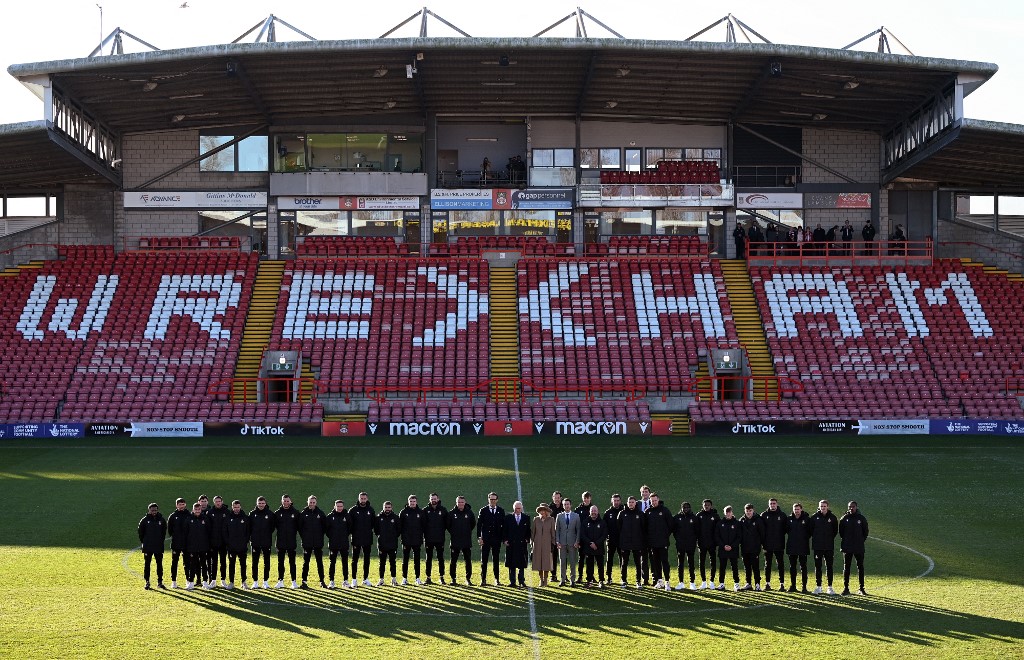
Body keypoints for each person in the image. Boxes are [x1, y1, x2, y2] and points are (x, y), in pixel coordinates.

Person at [839, 501, 870, 596]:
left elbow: (865, 532)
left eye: (853, 507)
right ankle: (846, 588)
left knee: (860, 567)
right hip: (847, 547)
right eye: (849, 507)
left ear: (856, 507)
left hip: (858, 547)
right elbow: (841, 532)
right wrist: (847, 541)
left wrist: (860, 541)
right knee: (846, 567)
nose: (851, 508)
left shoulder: (861, 518)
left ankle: (861, 588)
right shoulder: (844, 518)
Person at [810, 499, 839, 595]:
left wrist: (828, 539)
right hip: (818, 547)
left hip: (829, 546)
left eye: (824, 506)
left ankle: (830, 587)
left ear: (828, 507)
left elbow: (835, 531)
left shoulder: (833, 518)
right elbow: (810, 531)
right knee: (818, 567)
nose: (823, 508)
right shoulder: (814, 517)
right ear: (819, 507)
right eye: (821, 506)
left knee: (829, 567)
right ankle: (819, 587)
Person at [644, 493, 673, 591]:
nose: (654, 502)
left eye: (655, 500)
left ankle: (667, 582)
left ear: (658, 500)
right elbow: (645, 527)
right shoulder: (648, 512)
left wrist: (665, 535)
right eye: (652, 501)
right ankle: (660, 581)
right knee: (656, 562)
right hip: (652, 543)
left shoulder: (665, 510)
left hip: (663, 542)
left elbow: (671, 525)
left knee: (664, 561)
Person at [299, 495, 327, 589]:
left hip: (318, 543)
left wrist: (319, 536)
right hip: (307, 543)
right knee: (306, 562)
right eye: (310, 502)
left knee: (319, 562)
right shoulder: (303, 513)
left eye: (313, 502)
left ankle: (322, 581)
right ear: (307, 502)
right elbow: (300, 528)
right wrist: (305, 537)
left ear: (316, 503)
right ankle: (304, 582)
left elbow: (324, 527)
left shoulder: (320, 513)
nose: (312, 504)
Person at [477, 492, 506, 586]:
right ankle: (483, 579)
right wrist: (479, 537)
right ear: (488, 500)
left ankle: (497, 579)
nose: (492, 501)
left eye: (494, 499)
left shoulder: (501, 510)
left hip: (496, 539)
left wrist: (503, 538)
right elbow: (479, 525)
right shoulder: (483, 510)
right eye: (491, 499)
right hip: (485, 539)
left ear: (497, 500)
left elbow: (503, 526)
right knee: (484, 560)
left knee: (496, 560)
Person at [448, 495, 477, 585]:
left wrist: (466, 531)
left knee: (467, 560)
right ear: (456, 503)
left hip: (466, 540)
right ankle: (453, 579)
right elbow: (448, 526)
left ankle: (468, 579)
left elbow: (473, 524)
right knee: (453, 561)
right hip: (455, 540)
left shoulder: (469, 513)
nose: (460, 504)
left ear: (465, 503)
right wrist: (455, 533)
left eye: (462, 502)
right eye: (459, 502)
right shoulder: (451, 513)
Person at [617, 496, 645, 588]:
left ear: (635, 503)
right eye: (629, 502)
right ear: (627, 503)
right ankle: (624, 580)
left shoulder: (640, 514)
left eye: (632, 502)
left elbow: (643, 528)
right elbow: (619, 527)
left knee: (638, 563)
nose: (631, 504)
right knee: (624, 562)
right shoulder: (622, 513)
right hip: (625, 543)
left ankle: (638, 581)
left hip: (637, 543)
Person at [350, 491, 376, 587]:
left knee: (367, 559)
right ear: (359, 499)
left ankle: (365, 579)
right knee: (355, 560)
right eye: (361, 498)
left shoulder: (371, 510)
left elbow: (374, 524)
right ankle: (354, 580)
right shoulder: (353, 510)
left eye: (365, 499)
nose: (363, 500)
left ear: (367, 499)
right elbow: (349, 524)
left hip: (367, 539)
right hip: (356, 539)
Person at [760, 498, 787, 591]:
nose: (772, 505)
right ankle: (767, 584)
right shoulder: (764, 515)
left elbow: (785, 529)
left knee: (780, 564)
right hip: (767, 545)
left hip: (779, 544)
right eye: (771, 503)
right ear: (769, 504)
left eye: (774, 503)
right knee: (768, 564)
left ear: (777, 504)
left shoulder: (782, 515)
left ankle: (782, 584)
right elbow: (761, 530)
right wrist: (763, 543)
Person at [138, 502, 167, 590]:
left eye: (155, 510)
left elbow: (164, 532)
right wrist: (145, 542)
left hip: (158, 546)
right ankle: (147, 582)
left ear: (157, 510)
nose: (154, 511)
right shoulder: (144, 520)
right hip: (148, 546)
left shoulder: (161, 520)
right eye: (152, 510)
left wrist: (159, 541)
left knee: (159, 564)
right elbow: (140, 533)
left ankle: (160, 582)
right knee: (147, 564)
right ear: (149, 510)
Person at [248, 496, 275, 589]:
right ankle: (255, 581)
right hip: (255, 542)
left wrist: (266, 535)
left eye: (263, 503)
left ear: (265, 503)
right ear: (257, 503)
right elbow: (249, 527)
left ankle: (265, 581)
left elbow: (272, 527)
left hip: (266, 542)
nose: (261, 505)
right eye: (259, 503)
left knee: (266, 562)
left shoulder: (270, 514)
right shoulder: (252, 514)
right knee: (255, 562)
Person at [274, 494, 300, 589]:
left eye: (287, 501)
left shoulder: (296, 513)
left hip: (291, 541)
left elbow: (299, 527)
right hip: (280, 542)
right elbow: (275, 526)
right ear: (282, 501)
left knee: (292, 562)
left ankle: (294, 581)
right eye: (284, 501)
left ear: (290, 501)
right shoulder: (277, 513)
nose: (286, 502)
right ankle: (280, 581)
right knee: (280, 562)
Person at [503, 500, 531, 588]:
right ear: (513, 508)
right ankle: (512, 581)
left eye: (519, 508)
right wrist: (505, 540)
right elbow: (504, 530)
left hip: (522, 544)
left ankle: (521, 581)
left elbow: (528, 531)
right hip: (511, 544)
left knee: (522, 564)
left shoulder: (526, 518)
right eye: (516, 508)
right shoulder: (508, 518)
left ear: (522, 508)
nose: (517, 510)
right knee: (512, 564)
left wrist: (527, 539)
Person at [224, 499, 251, 590]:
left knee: (243, 565)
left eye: (238, 507)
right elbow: (225, 532)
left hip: (242, 547)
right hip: (231, 547)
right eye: (235, 507)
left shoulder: (245, 518)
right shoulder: (228, 518)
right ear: (232, 507)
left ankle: (244, 582)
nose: (236, 509)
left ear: (240, 507)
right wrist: (228, 543)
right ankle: (231, 582)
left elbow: (248, 532)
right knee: (232, 565)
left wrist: (245, 542)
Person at [185, 501, 212, 590]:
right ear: (193, 510)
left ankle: (205, 582)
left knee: (204, 564)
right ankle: (191, 583)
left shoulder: (205, 519)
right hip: (192, 547)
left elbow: (209, 532)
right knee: (192, 565)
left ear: (201, 510)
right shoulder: (189, 519)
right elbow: (186, 533)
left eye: (199, 509)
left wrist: (208, 545)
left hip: (203, 546)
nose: (197, 511)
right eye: (196, 509)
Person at [423, 493, 448, 585]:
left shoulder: (443, 510)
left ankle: (441, 577)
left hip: (440, 538)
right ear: (429, 500)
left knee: (440, 558)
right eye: (432, 499)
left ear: (438, 499)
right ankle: (428, 577)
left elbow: (447, 523)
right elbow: (423, 524)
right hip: (428, 538)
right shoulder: (425, 510)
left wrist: (441, 531)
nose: (433, 500)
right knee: (428, 558)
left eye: (435, 499)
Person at [672, 501, 698, 590]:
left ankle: (692, 582)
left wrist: (693, 540)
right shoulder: (677, 517)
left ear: (690, 508)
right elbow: (674, 530)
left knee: (691, 563)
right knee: (681, 563)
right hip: (680, 544)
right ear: (681, 508)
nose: (686, 509)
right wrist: (678, 539)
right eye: (684, 508)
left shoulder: (694, 518)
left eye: (687, 507)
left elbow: (697, 531)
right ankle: (681, 582)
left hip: (691, 544)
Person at [399, 494, 425, 585]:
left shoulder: (421, 512)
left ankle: (417, 578)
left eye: (414, 501)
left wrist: (421, 538)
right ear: (408, 502)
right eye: (411, 501)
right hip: (406, 540)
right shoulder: (403, 512)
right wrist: (403, 538)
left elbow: (424, 526)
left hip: (417, 540)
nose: (412, 503)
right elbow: (400, 526)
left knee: (417, 560)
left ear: (416, 502)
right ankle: (404, 578)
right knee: (405, 560)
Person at [325, 500, 351, 589]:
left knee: (345, 563)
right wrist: (333, 537)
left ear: (343, 507)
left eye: (341, 506)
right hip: (333, 543)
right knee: (332, 562)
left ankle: (346, 581)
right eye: (338, 506)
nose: (339, 508)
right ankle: (331, 581)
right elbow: (327, 530)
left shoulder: (347, 516)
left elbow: (350, 529)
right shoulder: (330, 517)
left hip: (344, 543)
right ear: (334, 506)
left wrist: (343, 536)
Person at [555, 498, 581, 586]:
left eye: (568, 504)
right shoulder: (559, 516)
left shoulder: (576, 516)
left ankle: (572, 580)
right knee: (562, 562)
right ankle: (562, 580)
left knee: (572, 562)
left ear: (571, 505)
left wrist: (577, 541)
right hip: (562, 543)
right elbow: (557, 530)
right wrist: (557, 541)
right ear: (563, 506)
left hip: (572, 543)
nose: (566, 506)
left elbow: (578, 530)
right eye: (565, 504)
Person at [787, 502, 812, 593]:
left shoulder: (807, 519)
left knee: (803, 567)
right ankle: (793, 586)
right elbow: (787, 530)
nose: (796, 511)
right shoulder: (789, 519)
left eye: (798, 509)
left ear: (801, 509)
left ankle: (804, 587)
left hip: (803, 546)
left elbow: (810, 532)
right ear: (793, 510)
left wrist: (803, 539)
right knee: (792, 567)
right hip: (792, 546)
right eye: (795, 509)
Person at [739, 503, 765, 591]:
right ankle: (748, 584)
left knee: (755, 566)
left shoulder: (758, 520)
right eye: (747, 511)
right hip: (744, 548)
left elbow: (762, 534)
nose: (748, 512)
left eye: (750, 511)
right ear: (744, 511)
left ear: (753, 510)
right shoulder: (741, 520)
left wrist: (760, 545)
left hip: (755, 548)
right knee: (747, 567)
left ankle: (757, 584)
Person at [580, 505, 608, 587]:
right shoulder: (585, 522)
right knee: (589, 565)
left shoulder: (602, 522)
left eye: (595, 511)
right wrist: (590, 543)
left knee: (600, 565)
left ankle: (601, 581)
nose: (593, 512)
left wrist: (596, 543)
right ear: (589, 512)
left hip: (599, 548)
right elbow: (583, 534)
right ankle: (589, 581)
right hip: (589, 548)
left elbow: (604, 535)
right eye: (592, 511)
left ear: (598, 511)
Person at [715, 506, 742, 591]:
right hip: (723, 549)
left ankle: (736, 584)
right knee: (722, 567)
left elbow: (739, 537)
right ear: (724, 513)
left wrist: (732, 546)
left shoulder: (737, 523)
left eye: (729, 512)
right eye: (726, 512)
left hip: (733, 549)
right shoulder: (720, 523)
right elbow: (717, 536)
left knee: (734, 567)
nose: (728, 514)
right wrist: (723, 546)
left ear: (732, 512)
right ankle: (721, 584)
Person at [375, 500, 401, 586]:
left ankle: (393, 580)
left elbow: (398, 531)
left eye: (389, 507)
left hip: (392, 544)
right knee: (382, 563)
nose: (387, 509)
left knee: (392, 562)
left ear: (391, 508)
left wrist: (392, 537)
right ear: (383, 508)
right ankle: (381, 580)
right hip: (382, 544)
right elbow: (376, 531)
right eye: (386, 507)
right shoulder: (378, 518)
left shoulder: (395, 518)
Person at [696, 498, 720, 589]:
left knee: (713, 562)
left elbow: (718, 530)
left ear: (711, 506)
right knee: (701, 562)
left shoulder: (715, 516)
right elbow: (696, 529)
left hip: (712, 544)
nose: (706, 506)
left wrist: (716, 541)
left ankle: (712, 581)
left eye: (708, 505)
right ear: (703, 505)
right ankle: (703, 581)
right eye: (705, 505)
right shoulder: (699, 515)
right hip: (702, 543)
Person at [206, 496, 229, 588]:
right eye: (216, 501)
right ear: (214, 502)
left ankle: (223, 580)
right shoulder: (210, 512)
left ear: (222, 502)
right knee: (213, 562)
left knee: (223, 561)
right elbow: (207, 528)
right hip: (213, 542)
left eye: (219, 501)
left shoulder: (227, 512)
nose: (218, 503)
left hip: (224, 542)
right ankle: (213, 580)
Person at [531, 504, 555, 587]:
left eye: (543, 510)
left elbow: (553, 533)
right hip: (537, 544)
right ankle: (541, 580)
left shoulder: (551, 520)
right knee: (539, 562)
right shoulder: (536, 520)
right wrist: (532, 543)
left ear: (546, 511)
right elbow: (533, 533)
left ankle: (546, 579)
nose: (542, 512)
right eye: (540, 510)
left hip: (547, 544)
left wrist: (553, 543)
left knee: (546, 563)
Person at [166, 497, 189, 589]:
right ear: (176, 505)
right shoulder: (172, 516)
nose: (181, 506)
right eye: (179, 504)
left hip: (187, 544)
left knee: (187, 563)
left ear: (185, 504)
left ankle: (188, 581)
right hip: (176, 543)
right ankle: (174, 581)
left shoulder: (189, 514)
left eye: (183, 504)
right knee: (174, 562)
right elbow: (170, 530)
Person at [602, 494, 624, 585]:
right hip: (611, 540)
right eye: (614, 500)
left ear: (620, 501)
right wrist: (606, 537)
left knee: (623, 560)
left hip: (622, 540)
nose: (616, 502)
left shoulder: (624, 511)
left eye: (618, 500)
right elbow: (604, 527)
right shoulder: (608, 513)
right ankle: (609, 578)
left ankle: (623, 578)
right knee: (609, 559)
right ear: (612, 501)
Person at [573, 492, 594, 580]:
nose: (586, 499)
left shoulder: (593, 509)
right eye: (584, 498)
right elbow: (575, 525)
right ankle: (580, 576)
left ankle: (590, 576)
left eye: (587, 498)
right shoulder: (578, 510)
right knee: (581, 558)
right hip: (581, 538)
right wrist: (577, 539)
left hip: (591, 538)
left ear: (590, 498)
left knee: (590, 559)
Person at [547, 491, 562, 582]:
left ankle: (564, 575)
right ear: (553, 498)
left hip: (563, 535)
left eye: (558, 497)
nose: (556, 499)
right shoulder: (549, 508)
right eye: (555, 497)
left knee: (563, 555)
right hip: (552, 536)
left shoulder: (564, 507)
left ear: (561, 498)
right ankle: (553, 575)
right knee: (553, 555)